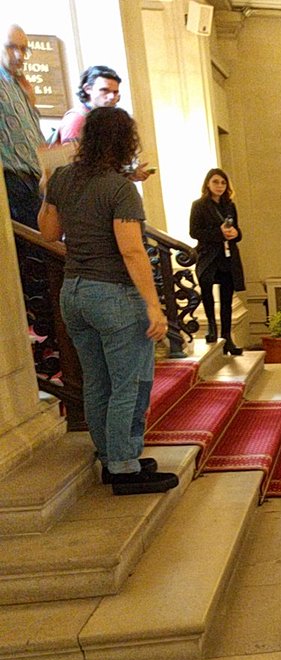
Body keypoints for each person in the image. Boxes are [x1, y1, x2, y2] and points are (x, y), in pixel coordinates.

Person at [38, 107, 178, 496]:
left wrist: (45, 190)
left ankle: (112, 454)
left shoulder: (63, 177)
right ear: (123, 143)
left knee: (97, 381)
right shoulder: (119, 189)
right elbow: (132, 251)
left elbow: (48, 233)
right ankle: (123, 466)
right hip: (114, 294)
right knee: (129, 383)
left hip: (75, 294)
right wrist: (154, 305)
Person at [189, 167, 245, 355]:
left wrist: (235, 234)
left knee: (227, 297)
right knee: (206, 290)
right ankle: (212, 328)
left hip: (227, 256)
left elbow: (237, 231)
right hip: (208, 255)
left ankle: (227, 336)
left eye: (223, 182)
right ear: (207, 183)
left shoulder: (230, 205)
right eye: (215, 182)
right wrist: (218, 234)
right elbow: (194, 232)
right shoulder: (199, 205)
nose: (220, 186)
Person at [1, 24, 43, 227]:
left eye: (24, 49)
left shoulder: (19, 84)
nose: (19, 55)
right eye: (11, 47)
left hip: (33, 180)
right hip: (12, 179)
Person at [56, 65, 122, 143]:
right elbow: (70, 154)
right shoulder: (77, 118)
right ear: (87, 89)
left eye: (115, 92)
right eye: (105, 90)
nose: (111, 96)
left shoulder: (108, 116)